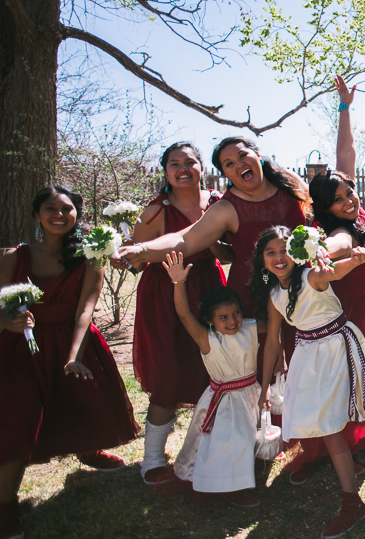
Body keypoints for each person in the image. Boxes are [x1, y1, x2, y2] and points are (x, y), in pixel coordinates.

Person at [0, 186, 140, 539]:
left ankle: (87, 448)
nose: (59, 215)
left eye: (67, 209)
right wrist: (9, 323)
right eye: (50, 208)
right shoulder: (13, 257)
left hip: (70, 339)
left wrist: (74, 353)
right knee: (17, 418)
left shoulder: (90, 257)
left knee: (80, 399)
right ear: (36, 215)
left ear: (78, 215)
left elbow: (85, 309)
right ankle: (5, 508)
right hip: (20, 347)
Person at [286, 78, 365, 484]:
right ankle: (343, 442)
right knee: (352, 378)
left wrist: (344, 108)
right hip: (353, 314)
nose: (350, 200)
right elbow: (335, 247)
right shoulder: (339, 229)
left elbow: (345, 154)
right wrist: (324, 253)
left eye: (350, 192)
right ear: (325, 207)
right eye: (339, 199)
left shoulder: (354, 211)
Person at [115, 131, 310, 375]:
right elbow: (185, 239)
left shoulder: (289, 185)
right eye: (229, 164)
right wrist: (141, 249)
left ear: (258, 156)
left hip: (303, 289)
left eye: (243, 155)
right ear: (225, 174)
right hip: (254, 293)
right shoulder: (226, 208)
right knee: (263, 373)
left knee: (307, 367)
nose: (239, 164)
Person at [253, 226, 365, 539]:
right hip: (307, 355)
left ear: (297, 252)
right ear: (262, 260)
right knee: (321, 424)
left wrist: (356, 259)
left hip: (335, 349)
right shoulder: (272, 291)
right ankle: (349, 486)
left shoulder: (311, 276)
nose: (278, 257)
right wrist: (263, 388)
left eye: (284, 250)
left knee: (329, 427)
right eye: (269, 253)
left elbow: (338, 271)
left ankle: (352, 503)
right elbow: (272, 342)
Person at [131, 142, 231, 486]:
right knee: (169, 371)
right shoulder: (155, 210)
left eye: (190, 162)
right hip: (165, 292)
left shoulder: (219, 203)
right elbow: (139, 258)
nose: (183, 169)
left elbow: (228, 251)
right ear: (166, 172)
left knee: (215, 368)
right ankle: (153, 460)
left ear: (203, 167)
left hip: (210, 289)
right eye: (175, 164)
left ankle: (207, 450)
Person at [162, 254, 260, 507]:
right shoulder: (207, 339)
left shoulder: (250, 328)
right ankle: (213, 485)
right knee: (221, 444)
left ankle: (237, 483)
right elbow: (184, 314)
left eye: (236, 312)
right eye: (223, 317)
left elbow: (276, 322)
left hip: (249, 394)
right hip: (222, 400)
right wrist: (178, 283)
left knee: (243, 442)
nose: (232, 320)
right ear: (209, 321)